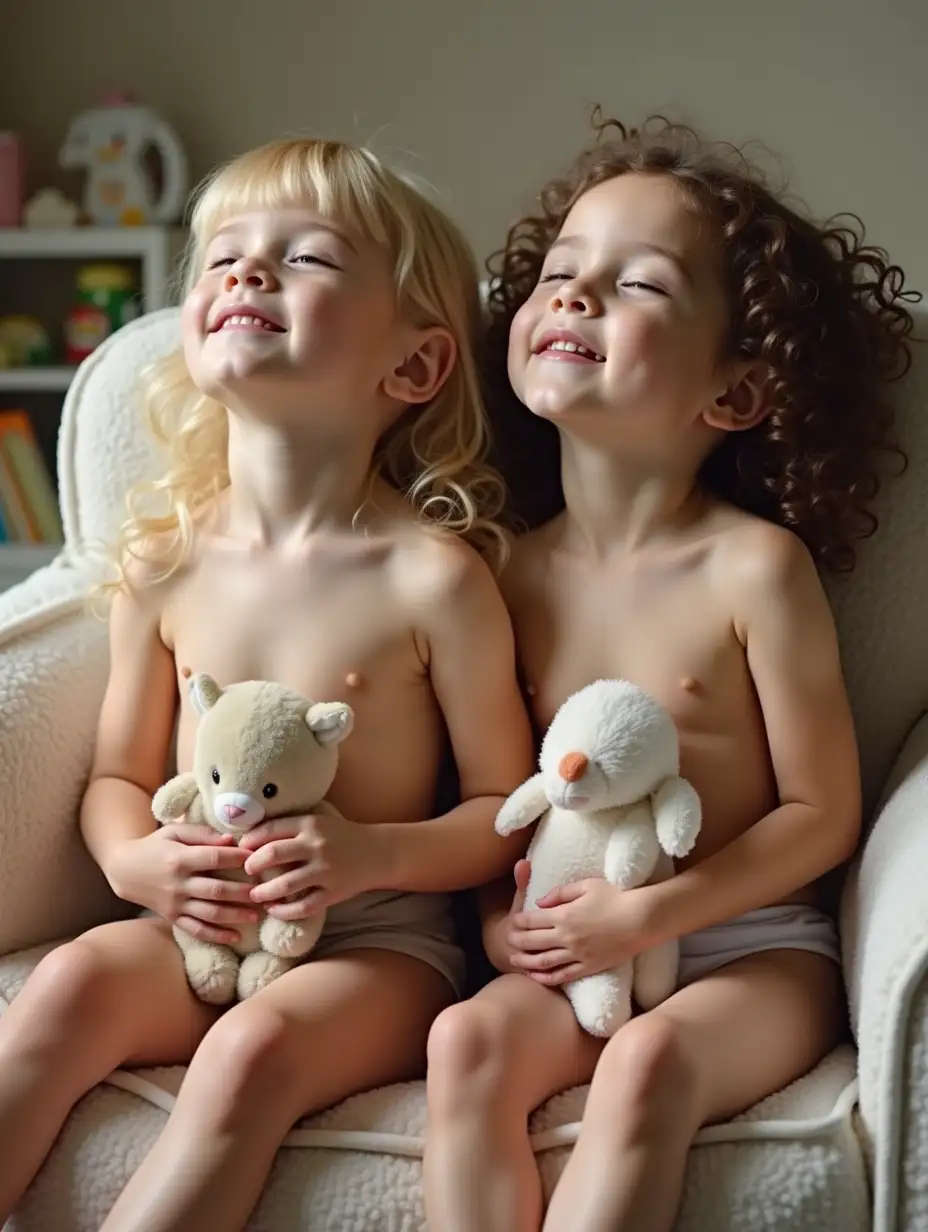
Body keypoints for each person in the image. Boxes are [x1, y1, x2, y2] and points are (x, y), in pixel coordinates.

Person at [0, 136, 534, 1232]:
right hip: (197, 923)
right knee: (60, 988)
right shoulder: (164, 563)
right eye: (223, 256)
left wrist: (373, 855)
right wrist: (136, 858)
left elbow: (504, 811)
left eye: (307, 259)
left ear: (415, 365)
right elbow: (116, 771)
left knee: (249, 1053)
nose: (246, 273)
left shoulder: (436, 579)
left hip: (379, 943)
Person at [424, 114, 916, 1232]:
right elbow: (486, 802)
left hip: (751, 947)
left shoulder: (753, 567)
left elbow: (821, 810)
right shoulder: (498, 575)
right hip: (570, 937)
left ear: (735, 392)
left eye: (636, 285)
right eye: (558, 272)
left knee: (645, 1065)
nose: (574, 295)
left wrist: (654, 918)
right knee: (464, 1040)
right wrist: (497, 932)